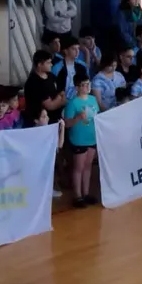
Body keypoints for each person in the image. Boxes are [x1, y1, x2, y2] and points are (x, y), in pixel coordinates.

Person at [63, 72, 100, 208]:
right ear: (77, 87)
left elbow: (97, 116)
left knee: (88, 166)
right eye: (83, 85)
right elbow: (67, 124)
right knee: (79, 167)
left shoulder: (93, 99)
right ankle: (77, 195)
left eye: (88, 84)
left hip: (91, 137)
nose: (87, 87)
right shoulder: (73, 103)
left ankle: (86, 193)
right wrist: (78, 118)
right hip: (79, 139)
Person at [24, 50, 66, 125]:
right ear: (40, 64)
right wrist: (61, 99)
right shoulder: (33, 82)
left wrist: (58, 98)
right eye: (48, 63)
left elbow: (61, 91)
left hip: (56, 119)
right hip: (42, 123)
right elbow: (50, 106)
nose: (51, 65)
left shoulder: (50, 76)